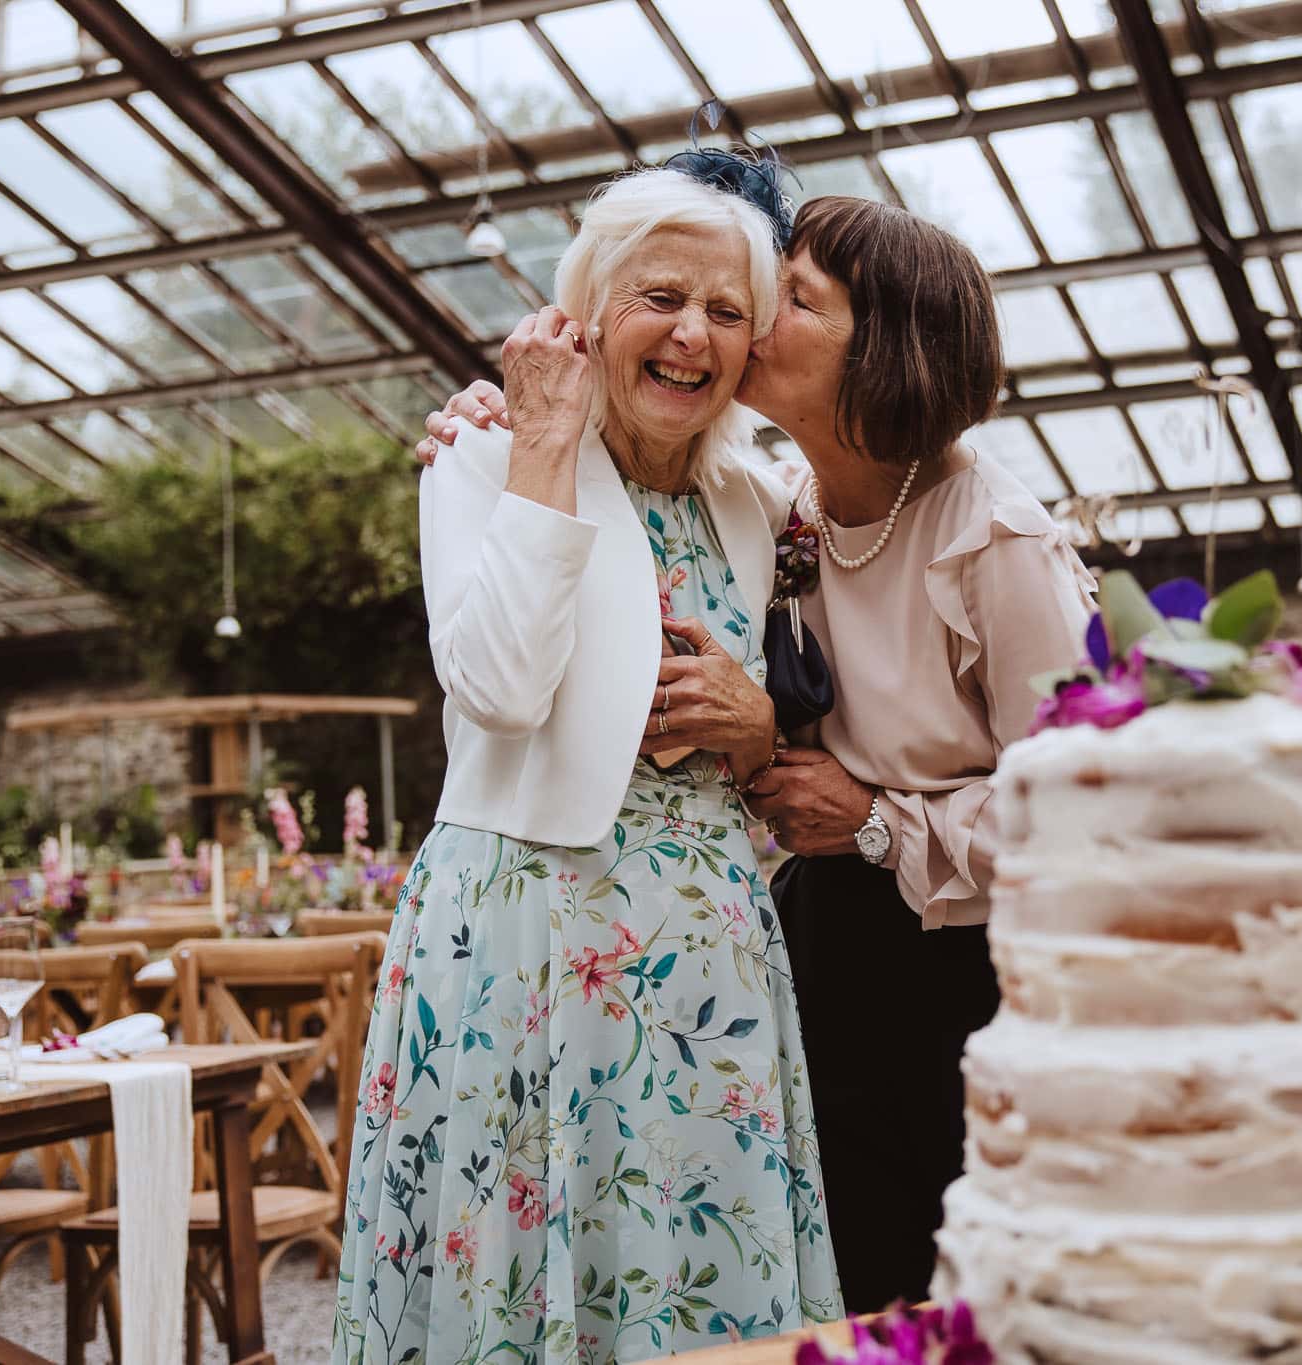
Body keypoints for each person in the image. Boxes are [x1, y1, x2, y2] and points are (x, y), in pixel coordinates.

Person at [419, 195, 1095, 1312]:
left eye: (783, 300)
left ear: (879, 347)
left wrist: (876, 817)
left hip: (966, 972)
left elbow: (1092, 810)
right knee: (848, 1275)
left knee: (967, 1287)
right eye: (686, 299)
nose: (740, 322)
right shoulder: (783, 510)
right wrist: (512, 426)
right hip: (806, 948)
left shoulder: (992, 537)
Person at [339, 164, 841, 1365]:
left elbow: (788, 738)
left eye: (727, 312)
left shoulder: (762, 502)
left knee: (704, 1270)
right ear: (583, 312)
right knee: (527, 1274)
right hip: (525, 931)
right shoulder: (484, 455)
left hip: (708, 943)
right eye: (657, 297)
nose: (690, 334)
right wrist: (548, 444)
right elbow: (501, 692)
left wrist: (759, 727)